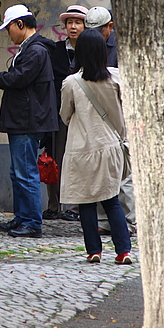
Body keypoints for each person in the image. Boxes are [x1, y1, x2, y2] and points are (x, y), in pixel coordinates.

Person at [59, 29, 133, 265]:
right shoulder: (116, 78)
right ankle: (123, 251)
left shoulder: (71, 82)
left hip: (82, 149)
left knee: (86, 202)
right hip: (110, 145)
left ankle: (94, 251)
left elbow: (65, 115)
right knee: (112, 199)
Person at [0, 4, 57, 239]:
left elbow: (20, 78)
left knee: (25, 172)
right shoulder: (31, 48)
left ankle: (32, 222)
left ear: (20, 24)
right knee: (18, 172)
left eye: (9, 28)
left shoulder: (36, 50)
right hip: (23, 120)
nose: (9, 33)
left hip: (28, 121)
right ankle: (23, 216)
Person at [84, 6, 134, 232]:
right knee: (102, 172)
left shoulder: (121, 47)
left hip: (120, 114)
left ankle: (131, 221)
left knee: (124, 172)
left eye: (97, 30)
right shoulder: (88, 43)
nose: (92, 34)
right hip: (96, 116)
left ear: (109, 27)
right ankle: (104, 222)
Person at [44, 4, 87, 223]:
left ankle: (78, 207)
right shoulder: (56, 51)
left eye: (77, 22)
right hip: (59, 112)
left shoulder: (91, 51)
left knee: (80, 158)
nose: (73, 26)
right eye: (70, 22)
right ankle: (54, 204)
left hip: (84, 114)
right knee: (56, 156)